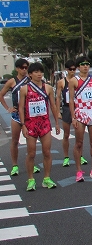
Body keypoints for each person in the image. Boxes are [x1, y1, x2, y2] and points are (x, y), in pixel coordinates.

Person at [19, 62, 60, 191]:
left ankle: (46, 178)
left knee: (47, 152)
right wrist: (23, 125)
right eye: (36, 72)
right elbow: (21, 108)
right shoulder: (24, 89)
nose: (39, 74)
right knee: (31, 153)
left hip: (45, 124)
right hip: (30, 124)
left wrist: (57, 123)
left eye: (41, 72)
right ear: (30, 74)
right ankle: (31, 179)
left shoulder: (47, 88)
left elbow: (53, 106)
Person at [68, 56, 92, 182]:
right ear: (79, 66)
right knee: (79, 143)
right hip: (80, 113)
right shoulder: (74, 80)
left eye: (87, 64)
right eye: (83, 64)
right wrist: (73, 117)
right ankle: (79, 171)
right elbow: (71, 100)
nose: (85, 66)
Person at [0, 58, 36, 176]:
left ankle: (32, 164)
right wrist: (7, 108)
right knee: (15, 140)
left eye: (26, 68)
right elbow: (1, 95)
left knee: (30, 141)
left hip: (29, 114)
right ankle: (15, 165)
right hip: (16, 114)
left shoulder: (30, 80)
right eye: (22, 68)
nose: (24, 70)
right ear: (17, 69)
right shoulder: (12, 81)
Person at [55, 60, 87, 168]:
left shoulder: (78, 80)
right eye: (70, 69)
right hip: (67, 108)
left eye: (74, 69)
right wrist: (58, 111)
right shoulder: (62, 82)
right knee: (66, 134)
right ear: (66, 70)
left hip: (78, 108)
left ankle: (80, 155)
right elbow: (58, 97)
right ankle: (66, 157)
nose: (72, 71)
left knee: (80, 135)